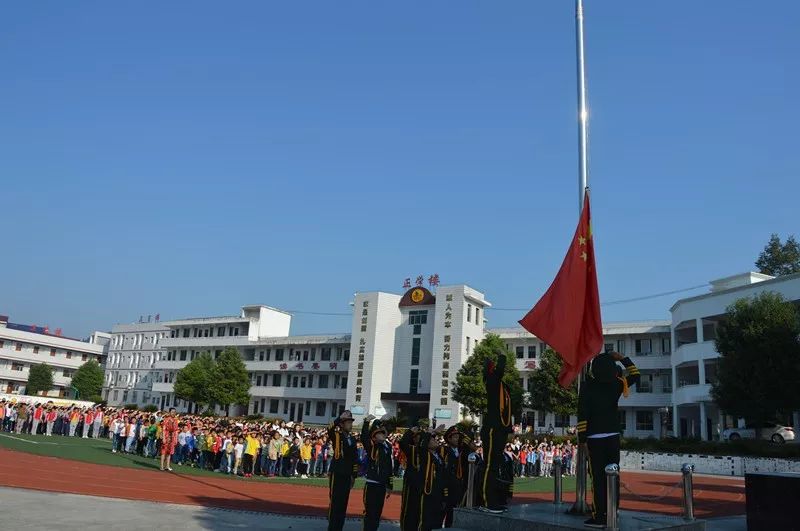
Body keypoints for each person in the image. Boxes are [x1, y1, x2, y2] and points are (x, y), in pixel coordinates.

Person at [577, 351, 640, 528]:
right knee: (613, 475)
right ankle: (614, 510)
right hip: (613, 436)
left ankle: (599, 516)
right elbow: (635, 374)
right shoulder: (616, 384)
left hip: (594, 437)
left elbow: (582, 415)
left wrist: (582, 439)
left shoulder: (587, 386)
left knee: (597, 478)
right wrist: (622, 359)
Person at [479, 353, 514, 513]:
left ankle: (495, 498)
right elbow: (499, 370)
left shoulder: (500, 386)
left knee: (495, 465)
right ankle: (487, 501)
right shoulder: (492, 382)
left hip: (500, 428)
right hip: (493, 429)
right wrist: (502, 358)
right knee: (490, 465)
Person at [360, 414, 393, 531]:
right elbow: (364, 437)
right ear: (374, 437)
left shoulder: (387, 448)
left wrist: (389, 485)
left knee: (378, 512)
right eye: (379, 433)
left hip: (382, 485)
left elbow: (389, 468)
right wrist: (367, 422)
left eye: (383, 433)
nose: (382, 434)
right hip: (372, 484)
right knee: (370, 512)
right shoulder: (372, 447)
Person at [327, 410, 358, 531]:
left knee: (343, 503)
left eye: (351, 422)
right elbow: (329, 429)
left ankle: (339, 527)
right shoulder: (337, 436)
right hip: (337, 472)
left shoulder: (353, 439)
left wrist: (354, 475)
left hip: (347, 474)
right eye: (348, 422)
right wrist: (339, 417)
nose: (350, 424)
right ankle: (332, 527)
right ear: (341, 424)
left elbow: (355, 459)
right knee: (335, 502)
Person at [441, 426, 474, 527]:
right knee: (441, 514)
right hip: (448, 487)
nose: (457, 439)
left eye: (458, 437)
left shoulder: (461, 450)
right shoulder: (444, 450)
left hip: (458, 486)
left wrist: (462, 434)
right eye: (454, 437)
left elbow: (471, 443)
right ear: (449, 439)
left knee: (453, 514)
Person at [417, 424, 448, 531]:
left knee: (437, 521)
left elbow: (443, 476)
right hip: (428, 492)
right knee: (426, 520)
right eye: (432, 440)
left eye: (435, 439)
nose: (436, 441)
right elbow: (422, 445)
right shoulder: (425, 455)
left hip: (438, 493)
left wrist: (445, 495)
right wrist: (432, 432)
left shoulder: (439, 456)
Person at [397, 426, 422, 531]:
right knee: (408, 509)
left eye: (420, 437)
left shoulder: (424, 450)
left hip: (421, 484)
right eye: (416, 437)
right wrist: (410, 432)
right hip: (411, 483)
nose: (418, 439)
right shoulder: (410, 449)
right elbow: (402, 442)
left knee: (419, 510)